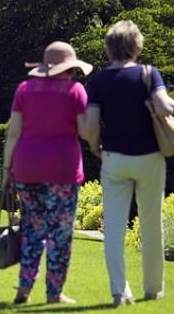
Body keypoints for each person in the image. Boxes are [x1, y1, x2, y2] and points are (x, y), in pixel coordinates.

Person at [86, 20, 173, 307]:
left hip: (114, 157)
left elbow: (89, 125)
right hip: (150, 157)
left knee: (113, 227)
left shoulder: (97, 81)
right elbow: (163, 107)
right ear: (137, 46)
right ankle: (152, 289)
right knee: (150, 224)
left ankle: (119, 292)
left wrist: (94, 145)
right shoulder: (149, 74)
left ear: (109, 47)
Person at [2, 41, 91, 304]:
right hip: (62, 169)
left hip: (27, 168)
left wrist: (7, 170)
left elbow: (14, 133)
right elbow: (85, 132)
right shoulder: (75, 91)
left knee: (31, 230)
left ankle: (24, 287)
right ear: (68, 69)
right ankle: (54, 293)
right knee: (60, 234)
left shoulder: (24, 89)